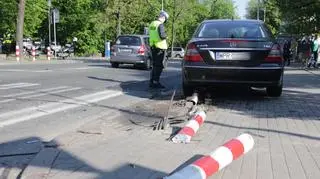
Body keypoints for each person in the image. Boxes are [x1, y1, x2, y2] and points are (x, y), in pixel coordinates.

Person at [148, 11, 169, 89]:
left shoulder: (152, 24)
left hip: (153, 46)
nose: (164, 21)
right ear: (163, 17)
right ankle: (156, 82)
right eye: (165, 20)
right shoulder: (160, 25)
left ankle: (152, 81)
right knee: (159, 66)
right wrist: (166, 37)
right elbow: (162, 36)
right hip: (160, 48)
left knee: (154, 65)